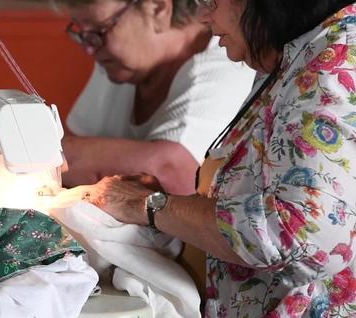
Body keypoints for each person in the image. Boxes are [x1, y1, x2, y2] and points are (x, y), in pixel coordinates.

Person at [68, 0, 356, 318]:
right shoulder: (295, 57)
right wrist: (162, 201)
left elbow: (299, 233)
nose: (205, 17)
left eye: (211, 1)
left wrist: (150, 207)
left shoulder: (331, 67)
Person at [57, 0, 256, 194]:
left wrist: (59, 154)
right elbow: (75, 143)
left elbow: (176, 174)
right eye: (81, 33)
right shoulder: (115, 64)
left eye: (99, 30)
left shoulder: (224, 65)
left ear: (157, 9)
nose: (89, 48)